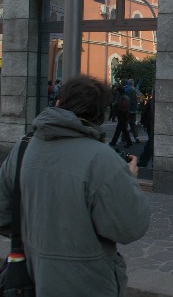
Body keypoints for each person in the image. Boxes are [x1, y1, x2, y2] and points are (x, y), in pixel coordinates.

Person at [0, 75, 149, 295]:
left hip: (30, 277)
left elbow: (3, 215)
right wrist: (129, 180)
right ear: (100, 114)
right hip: (87, 282)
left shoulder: (23, 148)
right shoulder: (103, 160)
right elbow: (130, 228)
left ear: (59, 103)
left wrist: (39, 238)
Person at [139, 93, 155, 167]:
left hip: (151, 124)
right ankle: (147, 161)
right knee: (151, 143)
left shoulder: (151, 101)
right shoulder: (152, 101)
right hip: (153, 124)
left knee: (150, 144)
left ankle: (144, 161)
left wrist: (142, 122)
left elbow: (144, 112)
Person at [125, 79, 141, 143]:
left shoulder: (126, 90)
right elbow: (140, 99)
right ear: (133, 84)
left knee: (125, 125)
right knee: (133, 125)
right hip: (134, 110)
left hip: (127, 110)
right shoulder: (136, 90)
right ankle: (136, 138)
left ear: (128, 83)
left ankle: (124, 138)